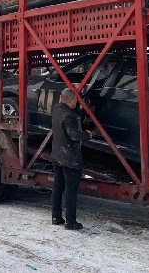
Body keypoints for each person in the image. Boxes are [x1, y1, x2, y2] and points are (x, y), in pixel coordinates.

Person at [51, 88, 93, 230]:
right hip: (69, 158)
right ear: (70, 100)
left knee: (57, 187)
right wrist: (87, 134)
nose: (77, 102)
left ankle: (56, 217)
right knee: (70, 190)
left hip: (57, 155)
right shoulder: (69, 116)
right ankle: (71, 222)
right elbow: (74, 135)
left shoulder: (56, 109)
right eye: (75, 100)